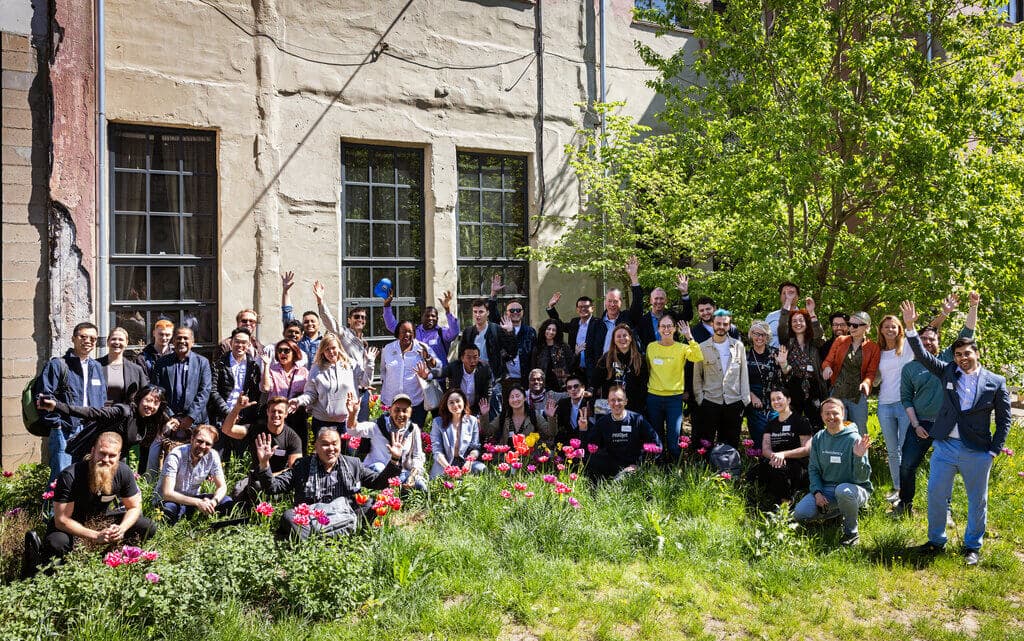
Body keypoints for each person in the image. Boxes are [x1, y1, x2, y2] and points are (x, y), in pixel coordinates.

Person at [901, 301, 1011, 566]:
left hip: (978, 450)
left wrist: (994, 450)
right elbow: (922, 355)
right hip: (945, 446)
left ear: (976, 353)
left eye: (967, 353)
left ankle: (972, 546)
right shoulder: (947, 371)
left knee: (977, 501)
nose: (962, 357)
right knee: (936, 494)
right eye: (958, 354)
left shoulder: (996, 382)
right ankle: (936, 541)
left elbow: (1004, 420)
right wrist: (910, 327)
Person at [23, 431, 157, 577]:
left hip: (101, 520)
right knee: (56, 543)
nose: (106, 459)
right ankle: (54, 573)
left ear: (119, 456)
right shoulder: (70, 476)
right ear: (93, 451)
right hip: (72, 525)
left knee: (146, 526)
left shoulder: (123, 472)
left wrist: (121, 529)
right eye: (102, 453)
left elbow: (134, 507)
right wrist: (95, 535)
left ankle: (111, 559)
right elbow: (61, 520)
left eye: (112, 455)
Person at [895, 293, 978, 517]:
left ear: (938, 342)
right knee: (907, 465)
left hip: (947, 425)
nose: (928, 342)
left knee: (946, 469)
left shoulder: (947, 359)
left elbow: (967, 333)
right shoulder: (910, 368)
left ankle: (945, 510)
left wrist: (973, 306)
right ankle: (905, 504)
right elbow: (906, 398)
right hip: (920, 424)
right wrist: (915, 425)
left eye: (932, 339)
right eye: (923, 339)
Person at [255, 425, 403, 539]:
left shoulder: (353, 464)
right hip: (312, 518)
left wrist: (394, 459)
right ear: (316, 446)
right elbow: (273, 487)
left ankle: (329, 537)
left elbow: (378, 482)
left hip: (345, 514)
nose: (331, 448)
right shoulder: (302, 466)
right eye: (325, 444)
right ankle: (318, 542)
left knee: (372, 504)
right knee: (289, 516)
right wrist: (264, 464)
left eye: (334, 443)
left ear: (340, 445)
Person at [792, 397, 873, 546]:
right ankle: (836, 513)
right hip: (827, 489)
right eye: (827, 413)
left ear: (843, 413)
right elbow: (813, 469)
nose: (831, 417)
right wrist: (817, 492)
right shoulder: (819, 438)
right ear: (822, 416)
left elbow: (862, 478)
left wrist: (859, 457)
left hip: (854, 488)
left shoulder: (855, 439)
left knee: (843, 491)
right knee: (800, 514)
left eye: (835, 413)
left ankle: (851, 532)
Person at [34, 321, 108, 479]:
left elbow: (102, 398)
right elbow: (43, 397)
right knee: (62, 477)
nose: (88, 341)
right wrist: (57, 424)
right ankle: (52, 498)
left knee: (85, 477)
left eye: (92, 338)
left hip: (90, 431)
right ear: (73, 338)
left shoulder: (96, 366)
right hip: (66, 430)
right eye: (83, 337)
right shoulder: (58, 365)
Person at [36, 384, 173, 468]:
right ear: (140, 399)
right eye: (148, 400)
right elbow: (91, 412)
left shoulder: (147, 420)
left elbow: (124, 448)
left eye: (156, 403)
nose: (151, 406)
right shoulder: (123, 412)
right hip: (90, 457)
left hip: (112, 461)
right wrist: (56, 406)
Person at [221, 395, 303, 505]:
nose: (276, 415)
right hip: (255, 477)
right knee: (237, 491)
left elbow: (295, 468)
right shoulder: (255, 429)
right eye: (273, 411)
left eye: (280, 412)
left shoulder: (292, 438)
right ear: (267, 412)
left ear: (286, 414)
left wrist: (268, 476)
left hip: (278, 479)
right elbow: (227, 430)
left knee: (259, 487)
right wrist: (237, 408)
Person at [313, 280, 377, 419]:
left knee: (361, 428)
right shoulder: (343, 334)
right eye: (356, 317)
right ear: (349, 320)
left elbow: (364, 369)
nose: (360, 319)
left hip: (363, 391)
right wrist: (320, 301)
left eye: (363, 318)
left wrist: (367, 385)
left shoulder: (364, 343)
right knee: (348, 427)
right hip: (347, 392)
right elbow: (330, 322)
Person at [645, 315, 702, 458]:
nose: (666, 329)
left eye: (669, 326)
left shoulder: (682, 348)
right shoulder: (651, 347)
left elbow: (698, 357)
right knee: (656, 436)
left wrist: (689, 337)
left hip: (674, 399)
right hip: (654, 397)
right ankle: (657, 465)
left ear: (675, 329)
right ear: (658, 329)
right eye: (663, 326)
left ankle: (675, 465)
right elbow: (648, 369)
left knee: (673, 438)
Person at [344, 392, 427, 490]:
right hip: (377, 472)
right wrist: (352, 414)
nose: (401, 414)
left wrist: (412, 476)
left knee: (421, 485)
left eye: (405, 411)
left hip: (401, 473)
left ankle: (402, 493)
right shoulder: (377, 426)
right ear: (390, 410)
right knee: (379, 468)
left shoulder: (413, 429)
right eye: (397, 410)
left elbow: (418, 456)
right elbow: (353, 430)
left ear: (410, 412)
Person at [692, 310, 750, 449]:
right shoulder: (702, 347)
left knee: (731, 443)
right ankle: (708, 463)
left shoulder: (738, 346)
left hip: (734, 401)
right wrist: (700, 398)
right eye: (718, 323)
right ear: (712, 324)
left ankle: (730, 462)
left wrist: (744, 399)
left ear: (729, 326)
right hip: (710, 401)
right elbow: (697, 376)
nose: (721, 327)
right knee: (706, 443)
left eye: (725, 324)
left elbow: (744, 374)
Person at [874, 314, 916, 502]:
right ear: (881, 330)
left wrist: (944, 314)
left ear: (899, 329)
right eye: (886, 327)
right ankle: (898, 488)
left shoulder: (907, 346)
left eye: (894, 326)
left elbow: (928, 331)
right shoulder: (878, 351)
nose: (890, 330)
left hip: (905, 404)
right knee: (892, 451)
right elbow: (874, 376)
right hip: (884, 404)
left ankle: (907, 489)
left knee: (904, 448)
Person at [155, 424, 232, 524]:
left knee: (226, 501)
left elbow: (222, 487)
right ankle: (183, 521)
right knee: (169, 508)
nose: (203, 446)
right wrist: (199, 502)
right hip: (171, 500)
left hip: (192, 501)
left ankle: (208, 524)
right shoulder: (176, 455)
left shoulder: (213, 456)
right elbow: (167, 493)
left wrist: (213, 502)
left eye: (208, 444)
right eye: (199, 441)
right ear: (192, 439)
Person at [579, 386, 661, 480]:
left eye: (620, 400)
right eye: (612, 400)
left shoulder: (637, 419)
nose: (616, 403)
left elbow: (657, 444)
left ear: (626, 401)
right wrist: (583, 429)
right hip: (611, 464)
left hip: (633, 466)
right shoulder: (603, 422)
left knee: (618, 481)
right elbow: (589, 446)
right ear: (608, 402)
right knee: (589, 460)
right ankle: (597, 486)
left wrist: (640, 464)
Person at [749, 389, 813, 509]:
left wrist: (783, 455)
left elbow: (806, 449)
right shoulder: (771, 424)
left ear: (788, 400)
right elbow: (765, 449)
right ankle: (757, 506)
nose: (776, 402)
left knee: (779, 470)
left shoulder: (801, 421)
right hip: (775, 460)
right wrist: (775, 457)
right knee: (752, 474)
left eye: (779, 398)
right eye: (773, 400)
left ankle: (785, 505)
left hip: (797, 463)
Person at [820, 311, 879, 436]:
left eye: (855, 325)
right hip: (838, 392)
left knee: (860, 430)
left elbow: (871, 372)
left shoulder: (873, 347)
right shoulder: (840, 341)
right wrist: (827, 368)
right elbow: (828, 361)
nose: (851, 327)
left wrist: (866, 383)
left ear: (866, 327)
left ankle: (860, 450)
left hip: (858, 395)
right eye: (850, 324)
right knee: (837, 430)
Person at [289, 332, 359, 434]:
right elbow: (311, 393)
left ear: (339, 348)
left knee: (347, 445)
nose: (331, 352)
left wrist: (370, 363)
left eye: (333, 348)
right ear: (322, 351)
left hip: (346, 420)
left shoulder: (349, 365)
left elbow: (365, 382)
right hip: (322, 422)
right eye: (327, 349)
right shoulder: (316, 369)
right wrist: (299, 401)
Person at [209, 328, 263, 456]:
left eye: (244, 342)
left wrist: (243, 412)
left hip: (244, 418)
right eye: (237, 341)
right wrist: (229, 412)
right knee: (219, 455)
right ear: (231, 342)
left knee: (241, 457)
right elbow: (213, 391)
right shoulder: (219, 364)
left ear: (248, 345)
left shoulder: (254, 366)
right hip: (222, 416)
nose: (240, 345)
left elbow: (255, 393)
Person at [777, 298, 828, 431]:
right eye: (794, 321)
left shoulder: (814, 343)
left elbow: (819, 335)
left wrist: (811, 312)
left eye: (801, 320)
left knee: (816, 426)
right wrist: (787, 304)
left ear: (807, 323)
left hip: (814, 388)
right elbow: (782, 327)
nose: (798, 323)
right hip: (793, 387)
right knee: (793, 426)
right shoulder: (787, 342)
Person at [460, 297, 516, 415]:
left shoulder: (496, 329)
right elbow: (461, 355)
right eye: (475, 312)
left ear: (487, 313)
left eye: (481, 312)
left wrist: (510, 332)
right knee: (472, 412)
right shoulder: (468, 332)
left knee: (494, 412)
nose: (477, 315)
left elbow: (512, 352)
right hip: (472, 378)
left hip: (493, 378)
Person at [152, 326, 213, 432]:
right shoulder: (161, 363)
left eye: (185, 338)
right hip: (169, 421)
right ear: (173, 341)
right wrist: (170, 416)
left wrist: (190, 416)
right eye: (178, 338)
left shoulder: (202, 362)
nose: (182, 341)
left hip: (196, 421)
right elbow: (157, 391)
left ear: (192, 342)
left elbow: (205, 391)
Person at [381, 320, 436, 430]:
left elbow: (435, 367)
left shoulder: (422, 348)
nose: (407, 334)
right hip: (391, 402)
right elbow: (383, 371)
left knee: (413, 434)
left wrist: (427, 358)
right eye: (403, 331)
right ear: (398, 333)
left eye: (410, 331)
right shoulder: (388, 349)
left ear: (414, 333)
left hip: (415, 403)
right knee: (392, 434)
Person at [384, 288, 460, 365]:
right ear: (422, 317)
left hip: (437, 372)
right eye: (427, 316)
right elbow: (392, 325)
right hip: (417, 372)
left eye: (433, 316)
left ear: (437, 318)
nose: (430, 318)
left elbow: (454, 332)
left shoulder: (441, 333)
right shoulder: (414, 332)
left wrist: (447, 310)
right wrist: (387, 305)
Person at [488, 275, 536, 392]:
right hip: (504, 377)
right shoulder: (500, 327)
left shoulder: (530, 331)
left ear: (523, 312)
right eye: (512, 310)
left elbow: (534, 355)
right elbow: (492, 313)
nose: (515, 312)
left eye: (518, 310)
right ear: (506, 313)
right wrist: (493, 294)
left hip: (524, 378)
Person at [545, 293, 606, 386]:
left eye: (586, 306)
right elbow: (560, 325)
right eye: (580, 307)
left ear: (592, 308)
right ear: (577, 309)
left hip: (592, 370)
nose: (583, 309)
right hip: (576, 369)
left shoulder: (598, 324)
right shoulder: (574, 322)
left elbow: (599, 348)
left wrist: (598, 369)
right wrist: (551, 307)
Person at [260, 338, 310, 451]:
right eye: (279, 351)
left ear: (294, 352)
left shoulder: (303, 371)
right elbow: (265, 388)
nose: (282, 353)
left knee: (299, 446)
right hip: (277, 414)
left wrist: (299, 401)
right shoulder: (272, 370)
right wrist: (266, 365)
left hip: (297, 415)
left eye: (286, 351)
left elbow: (308, 393)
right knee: (278, 448)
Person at [593, 323, 651, 413]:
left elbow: (644, 386)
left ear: (630, 338)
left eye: (625, 335)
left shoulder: (640, 359)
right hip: (610, 407)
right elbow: (595, 382)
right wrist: (591, 401)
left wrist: (640, 406)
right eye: (618, 336)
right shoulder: (607, 358)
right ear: (614, 340)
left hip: (633, 408)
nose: (622, 338)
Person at [429, 389, 486, 478]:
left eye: (458, 401)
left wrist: (469, 461)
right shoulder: (438, 422)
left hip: (464, 462)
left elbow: (475, 447)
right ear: (446, 405)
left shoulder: (472, 421)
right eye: (451, 402)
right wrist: (449, 469)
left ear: (464, 402)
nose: (455, 405)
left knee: (481, 468)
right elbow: (437, 451)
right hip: (445, 463)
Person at [424, 345, 493, 416]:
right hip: (455, 408)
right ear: (462, 358)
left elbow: (488, 390)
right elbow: (442, 372)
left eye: (475, 357)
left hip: (474, 408)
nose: (472, 361)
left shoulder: (485, 369)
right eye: (469, 357)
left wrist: (483, 410)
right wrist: (428, 375)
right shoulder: (454, 366)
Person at [479, 384, 555, 447]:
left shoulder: (534, 415)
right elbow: (487, 432)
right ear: (508, 401)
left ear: (524, 398)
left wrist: (551, 417)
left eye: (518, 396)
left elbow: (551, 433)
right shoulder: (503, 416)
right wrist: (484, 415)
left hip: (528, 458)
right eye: (512, 397)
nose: (515, 399)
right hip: (506, 457)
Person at [746, 321, 783, 446]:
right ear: (751, 335)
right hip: (754, 399)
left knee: (776, 436)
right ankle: (760, 456)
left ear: (767, 337)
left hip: (774, 399)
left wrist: (784, 364)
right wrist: (752, 396)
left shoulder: (776, 353)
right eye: (756, 334)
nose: (759, 337)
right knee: (760, 437)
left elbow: (787, 375)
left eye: (763, 334)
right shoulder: (746, 356)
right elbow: (740, 381)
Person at [597, 256, 645, 355]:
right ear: (605, 302)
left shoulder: (628, 318)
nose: (612, 304)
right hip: (604, 363)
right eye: (609, 301)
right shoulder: (598, 324)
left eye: (615, 301)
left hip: (625, 362)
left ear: (620, 302)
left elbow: (638, 303)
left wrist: (633, 277)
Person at [636, 274, 693, 351]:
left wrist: (684, 294)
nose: (659, 301)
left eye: (661, 298)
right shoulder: (643, 321)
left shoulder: (671, 316)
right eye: (656, 298)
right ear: (650, 301)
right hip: (652, 356)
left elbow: (688, 316)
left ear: (666, 301)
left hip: (672, 355)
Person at [279, 271, 322, 367]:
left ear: (319, 324)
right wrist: (285, 291)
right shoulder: (298, 339)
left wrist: (320, 301)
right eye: (306, 322)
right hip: (298, 375)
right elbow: (287, 312)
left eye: (312, 321)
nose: (310, 324)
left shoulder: (324, 342)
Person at [99, 327, 149, 406]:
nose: (117, 342)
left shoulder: (136, 370)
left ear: (126, 343)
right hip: (99, 411)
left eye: (121, 340)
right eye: (113, 339)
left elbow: (145, 394)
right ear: (108, 342)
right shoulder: (96, 365)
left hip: (125, 412)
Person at [549, 374, 594, 447]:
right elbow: (556, 430)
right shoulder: (562, 403)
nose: (573, 389)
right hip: (566, 444)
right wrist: (552, 417)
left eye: (576, 386)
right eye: (569, 387)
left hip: (585, 442)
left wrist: (590, 416)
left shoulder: (589, 403)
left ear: (583, 387)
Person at [531, 319, 573, 393]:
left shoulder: (564, 347)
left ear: (557, 332)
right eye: (548, 329)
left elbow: (570, 365)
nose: (550, 332)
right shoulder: (538, 348)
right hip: (542, 386)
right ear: (544, 330)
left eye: (554, 330)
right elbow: (533, 367)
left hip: (560, 386)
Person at [765, 282, 801, 348]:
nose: (788, 295)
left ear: (798, 297)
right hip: (770, 352)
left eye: (791, 293)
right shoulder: (771, 316)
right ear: (780, 296)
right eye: (784, 293)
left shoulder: (805, 318)